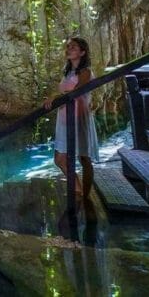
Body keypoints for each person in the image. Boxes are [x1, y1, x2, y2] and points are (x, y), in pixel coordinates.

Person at [44, 37, 99, 197]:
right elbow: (65, 92)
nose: (68, 49)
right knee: (59, 159)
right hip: (64, 119)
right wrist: (57, 98)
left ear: (82, 52)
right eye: (68, 46)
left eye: (73, 47)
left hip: (79, 119)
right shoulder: (68, 72)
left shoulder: (86, 72)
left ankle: (86, 195)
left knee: (84, 158)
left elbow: (77, 91)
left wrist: (55, 97)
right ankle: (78, 190)